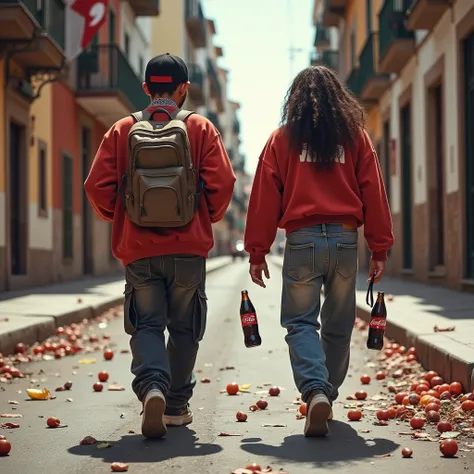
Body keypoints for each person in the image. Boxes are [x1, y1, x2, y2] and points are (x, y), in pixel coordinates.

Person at [84, 53, 235, 439]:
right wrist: (206, 217)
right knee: (185, 328)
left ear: (148, 88)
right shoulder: (200, 127)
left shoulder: (121, 130)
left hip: (139, 250)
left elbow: (95, 187)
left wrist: (121, 215)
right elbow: (223, 184)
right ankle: (176, 406)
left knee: (147, 324)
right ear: (184, 89)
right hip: (189, 250)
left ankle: (152, 386)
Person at [244, 65, 393, 437]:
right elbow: (373, 189)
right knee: (339, 325)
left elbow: (263, 195)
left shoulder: (281, 139)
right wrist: (379, 247)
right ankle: (326, 393)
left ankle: (314, 392)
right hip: (344, 241)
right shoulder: (356, 138)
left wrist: (257, 250)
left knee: (300, 322)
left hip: (302, 240)